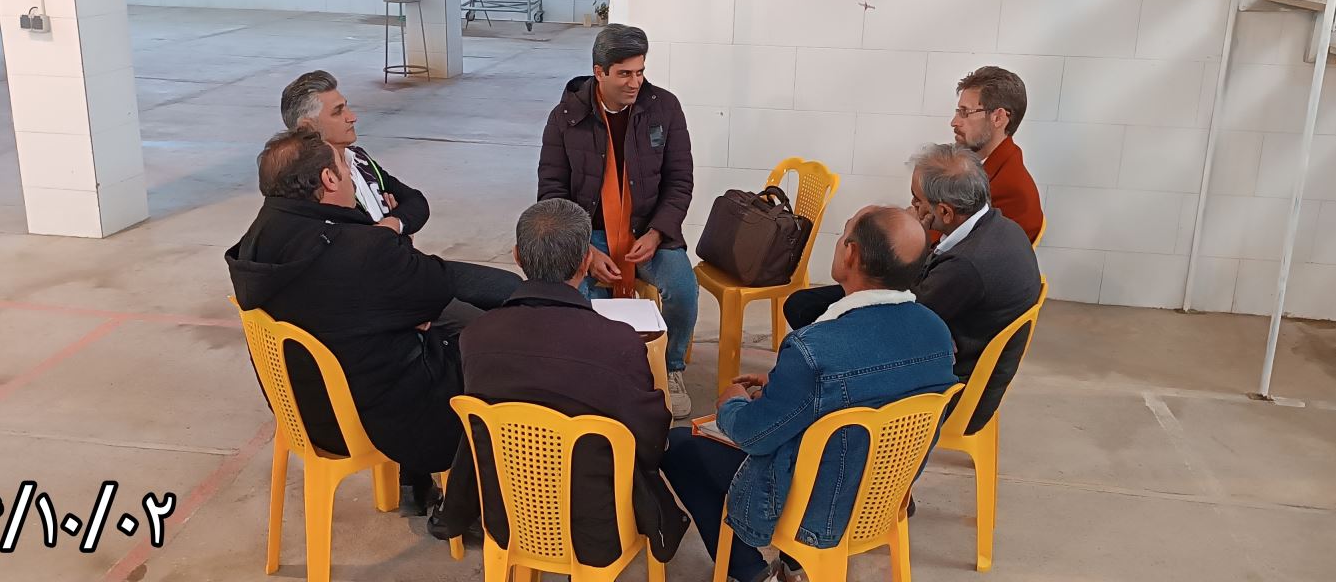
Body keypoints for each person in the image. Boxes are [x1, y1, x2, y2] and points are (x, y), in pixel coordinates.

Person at [660, 206, 957, 582]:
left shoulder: (814, 349)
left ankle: (749, 570)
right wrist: (785, 387)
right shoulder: (936, 332)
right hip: (882, 499)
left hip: (815, 510)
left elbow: (753, 435)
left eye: (844, 234)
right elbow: (871, 393)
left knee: (680, 446)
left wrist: (731, 402)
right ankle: (792, 566)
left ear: (851, 254)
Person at [431, 199, 689, 564]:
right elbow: (650, 440)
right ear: (586, 262)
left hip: (507, 517)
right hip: (598, 528)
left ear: (517, 257)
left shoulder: (476, 335)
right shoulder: (617, 342)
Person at [226, 127, 462, 513]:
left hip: (304, 411)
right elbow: (439, 287)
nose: (352, 174)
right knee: (483, 353)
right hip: (365, 416)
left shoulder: (258, 237)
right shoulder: (356, 249)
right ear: (329, 178)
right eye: (344, 167)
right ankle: (471, 509)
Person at [786, 144, 1040, 434]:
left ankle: (817, 393)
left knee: (822, 324)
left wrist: (912, 233)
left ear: (944, 211)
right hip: (956, 338)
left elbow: (897, 322)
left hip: (952, 388)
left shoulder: (966, 266)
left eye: (917, 200)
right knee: (804, 305)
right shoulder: (999, 225)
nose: (912, 206)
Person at [537, 24, 699, 418]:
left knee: (683, 290)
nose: (635, 82)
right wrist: (584, 250)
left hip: (649, 230)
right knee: (580, 298)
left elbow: (680, 181)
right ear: (599, 72)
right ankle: (596, 373)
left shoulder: (664, 108)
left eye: (640, 72)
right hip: (587, 235)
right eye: (624, 74)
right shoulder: (565, 117)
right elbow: (552, 193)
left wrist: (658, 232)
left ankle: (671, 368)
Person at [281, 70, 522, 321]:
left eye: (346, 107)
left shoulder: (359, 159)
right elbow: (357, 255)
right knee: (482, 324)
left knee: (512, 289)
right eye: (338, 112)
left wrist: (392, 223)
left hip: (412, 268)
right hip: (387, 292)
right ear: (307, 127)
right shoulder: (311, 188)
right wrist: (397, 233)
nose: (352, 117)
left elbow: (416, 202)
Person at [947, 65, 1043, 242]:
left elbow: (963, 251)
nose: (954, 122)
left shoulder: (1011, 192)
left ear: (998, 118)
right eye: (958, 112)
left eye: (965, 112)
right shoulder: (980, 167)